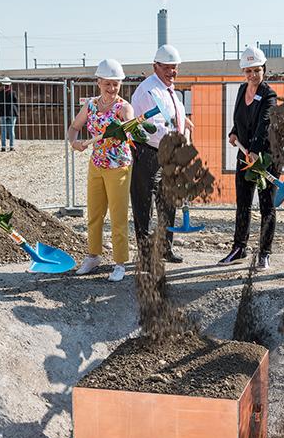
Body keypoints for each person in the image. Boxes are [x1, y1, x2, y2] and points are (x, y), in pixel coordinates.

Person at [67, 59, 134, 282]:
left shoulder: (124, 107)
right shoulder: (91, 106)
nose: (112, 88)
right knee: (94, 213)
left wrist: (126, 130)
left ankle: (120, 263)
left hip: (118, 167)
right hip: (96, 164)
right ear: (98, 82)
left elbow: (132, 130)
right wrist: (74, 142)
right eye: (107, 84)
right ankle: (93, 256)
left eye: (116, 84)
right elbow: (74, 127)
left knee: (118, 216)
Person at [129, 44, 192, 263]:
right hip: (149, 153)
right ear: (155, 66)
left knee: (167, 202)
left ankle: (165, 248)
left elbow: (173, 116)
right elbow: (154, 125)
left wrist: (183, 125)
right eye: (166, 67)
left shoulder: (169, 89)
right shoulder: (149, 90)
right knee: (144, 204)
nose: (171, 72)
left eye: (174, 67)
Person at [222, 46, 277, 269]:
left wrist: (254, 151)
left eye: (257, 70)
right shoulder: (241, 90)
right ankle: (239, 248)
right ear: (243, 71)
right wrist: (234, 132)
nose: (252, 75)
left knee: (266, 205)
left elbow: (264, 124)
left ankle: (264, 252)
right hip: (244, 154)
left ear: (264, 69)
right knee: (243, 202)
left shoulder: (269, 95)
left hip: (265, 157)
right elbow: (239, 117)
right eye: (248, 71)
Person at [0, 77, 18, 151]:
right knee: (11, 130)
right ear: (10, 85)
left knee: (3, 131)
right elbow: (16, 103)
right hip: (12, 113)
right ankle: (11, 146)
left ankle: (3, 147)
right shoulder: (13, 93)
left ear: (3, 85)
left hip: (3, 113)